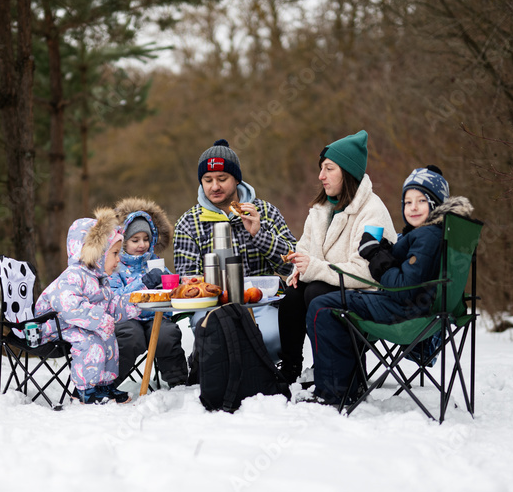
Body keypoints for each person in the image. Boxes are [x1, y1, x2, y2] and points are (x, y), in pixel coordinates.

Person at [304, 165, 474, 405]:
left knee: (322, 307)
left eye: (421, 201)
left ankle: (334, 392)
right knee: (333, 301)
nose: (412, 207)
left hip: (405, 312)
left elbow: (403, 287)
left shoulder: (426, 237)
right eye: (407, 202)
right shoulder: (432, 233)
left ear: (435, 205)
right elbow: (412, 272)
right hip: (422, 310)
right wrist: (383, 249)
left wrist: (375, 256)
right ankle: (349, 385)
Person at [278, 130, 396, 383]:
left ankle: (332, 371)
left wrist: (314, 268)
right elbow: (305, 249)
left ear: (348, 172)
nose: (321, 176)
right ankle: (289, 370)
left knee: (316, 291)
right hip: (331, 288)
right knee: (293, 296)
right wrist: (299, 268)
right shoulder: (321, 210)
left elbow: (367, 273)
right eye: (321, 168)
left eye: (329, 168)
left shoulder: (372, 212)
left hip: (368, 298)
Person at [33, 207, 139, 404]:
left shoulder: (99, 279)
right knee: (91, 342)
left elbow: (112, 307)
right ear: (98, 253)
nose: (118, 260)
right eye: (115, 254)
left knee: (108, 336)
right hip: (52, 325)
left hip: (77, 323)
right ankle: (86, 390)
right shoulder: (73, 276)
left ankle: (104, 385)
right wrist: (99, 319)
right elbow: (69, 307)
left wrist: (136, 303)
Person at [173, 139, 297, 279]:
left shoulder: (266, 212)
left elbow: (292, 266)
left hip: (264, 298)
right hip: (214, 300)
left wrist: (259, 236)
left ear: (237, 179)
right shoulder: (187, 223)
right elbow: (187, 281)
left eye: (222, 179)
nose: (215, 187)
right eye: (208, 180)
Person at [109, 197, 189, 388]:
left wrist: (178, 284)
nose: (142, 244)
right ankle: (110, 383)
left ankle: (177, 380)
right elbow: (114, 297)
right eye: (135, 240)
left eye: (146, 239)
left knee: (167, 334)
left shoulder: (154, 262)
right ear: (123, 241)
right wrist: (143, 283)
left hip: (156, 315)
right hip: (128, 317)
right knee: (129, 338)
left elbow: (172, 285)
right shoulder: (115, 266)